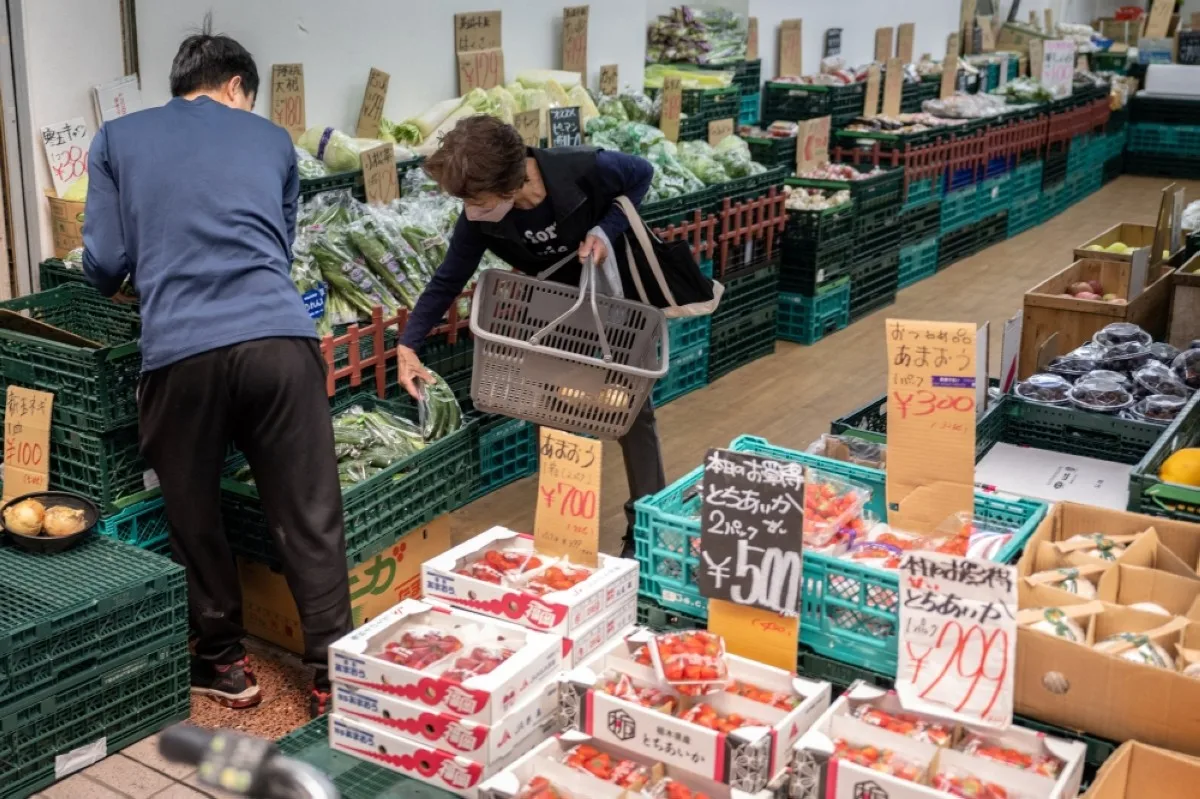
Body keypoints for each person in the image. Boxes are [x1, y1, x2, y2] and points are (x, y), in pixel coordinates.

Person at [82, 33, 353, 718]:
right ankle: (332, 669)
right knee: (309, 509)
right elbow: (279, 242)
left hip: (181, 349)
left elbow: (105, 262)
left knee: (193, 508)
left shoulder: (116, 138)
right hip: (279, 339)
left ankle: (224, 662)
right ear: (236, 87)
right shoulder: (271, 140)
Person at [397, 115, 666, 556]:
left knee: (633, 412)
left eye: (475, 198)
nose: (469, 209)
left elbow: (642, 175)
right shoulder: (480, 220)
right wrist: (409, 344)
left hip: (611, 300)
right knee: (554, 412)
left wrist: (604, 230)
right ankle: (565, 534)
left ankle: (647, 525)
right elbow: (448, 278)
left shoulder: (584, 168)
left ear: (511, 183)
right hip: (549, 312)